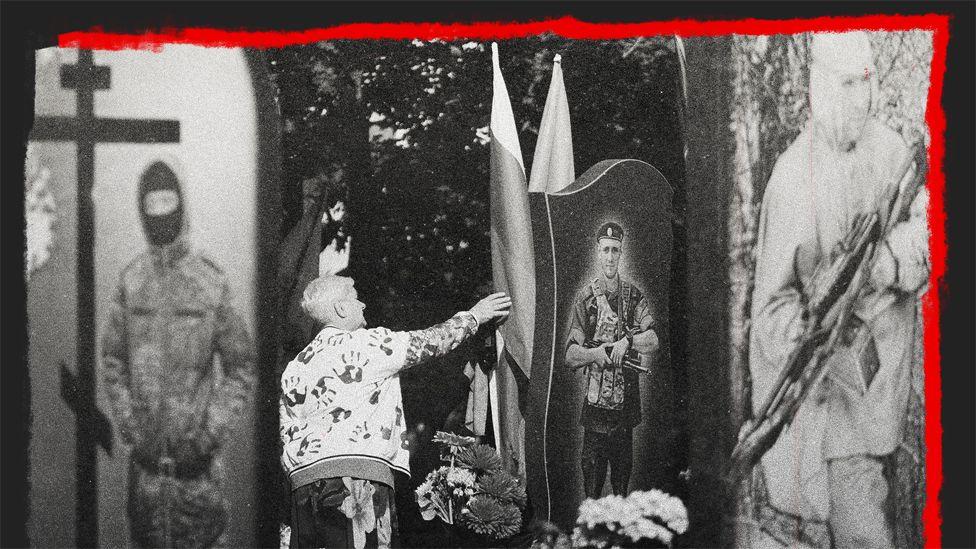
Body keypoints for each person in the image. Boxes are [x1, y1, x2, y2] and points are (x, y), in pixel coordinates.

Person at [747, 32, 930, 549]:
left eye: (867, 83)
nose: (861, 99)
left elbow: (934, 229)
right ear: (819, 86)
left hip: (881, 409)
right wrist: (817, 329)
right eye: (848, 84)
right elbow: (771, 312)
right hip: (819, 413)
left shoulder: (893, 153)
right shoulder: (789, 179)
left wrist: (889, 262)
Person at [279, 275, 511, 548]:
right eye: (355, 298)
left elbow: (285, 429)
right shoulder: (368, 344)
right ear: (341, 308)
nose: (363, 304)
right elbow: (430, 341)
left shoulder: (295, 366)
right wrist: (475, 316)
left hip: (303, 486)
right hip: (357, 478)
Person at [102, 159, 255, 548]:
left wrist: (209, 434)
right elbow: (113, 360)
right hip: (146, 483)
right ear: (142, 209)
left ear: (181, 206)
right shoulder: (131, 280)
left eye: (168, 201)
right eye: (152, 203)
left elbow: (240, 366)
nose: (161, 211)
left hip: (199, 483)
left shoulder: (210, 281)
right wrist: (132, 429)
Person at [564, 222, 658, 498]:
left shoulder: (633, 296)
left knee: (620, 491)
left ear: (621, 253)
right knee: (592, 491)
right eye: (605, 250)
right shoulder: (585, 299)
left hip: (625, 412)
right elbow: (570, 355)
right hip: (595, 414)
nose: (610, 256)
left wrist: (627, 341)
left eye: (615, 250)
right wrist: (596, 354)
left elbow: (653, 339)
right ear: (598, 252)